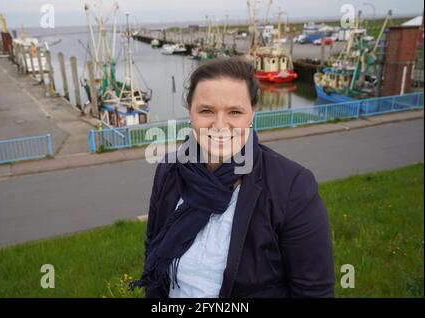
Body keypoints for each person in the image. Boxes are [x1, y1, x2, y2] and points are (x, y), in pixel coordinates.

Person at [131, 57, 335, 298]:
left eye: (235, 112)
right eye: (206, 110)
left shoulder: (292, 186)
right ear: (190, 113)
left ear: (252, 114)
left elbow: (313, 291)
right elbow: (154, 247)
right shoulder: (169, 171)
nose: (219, 125)